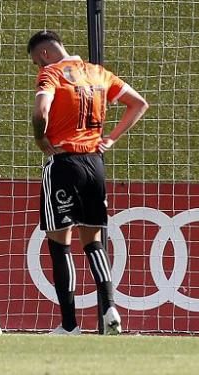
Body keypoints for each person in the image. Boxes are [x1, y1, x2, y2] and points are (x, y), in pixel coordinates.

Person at [27, 30, 149, 335]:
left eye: (34, 62)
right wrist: (111, 138)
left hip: (64, 162)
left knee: (60, 245)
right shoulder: (98, 73)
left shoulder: (51, 74)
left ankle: (69, 325)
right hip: (95, 163)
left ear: (43, 54)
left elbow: (41, 111)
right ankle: (109, 308)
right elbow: (139, 104)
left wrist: (41, 140)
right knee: (93, 242)